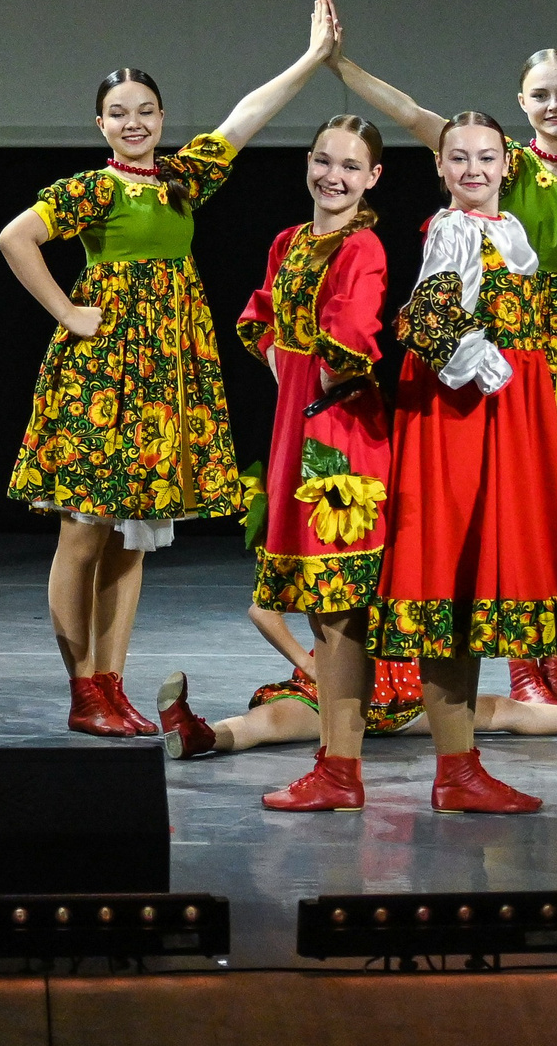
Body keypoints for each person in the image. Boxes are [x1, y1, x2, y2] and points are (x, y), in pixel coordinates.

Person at [0, 0, 335, 737]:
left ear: (161, 116)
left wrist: (311, 60)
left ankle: (112, 683)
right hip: (102, 377)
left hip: (163, 374)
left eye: (145, 111)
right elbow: (15, 237)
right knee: (82, 534)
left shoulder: (181, 179)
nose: (134, 122)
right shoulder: (94, 188)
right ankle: (82, 688)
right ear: (100, 124)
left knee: (130, 537)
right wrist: (67, 311)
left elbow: (245, 118)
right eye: (119, 113)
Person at [330, 25, 557, 703]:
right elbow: (413, 115)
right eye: (541, 95)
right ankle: (527, 671)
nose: (554, 105)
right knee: (521, 503)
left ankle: (555, 668)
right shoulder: (504, 164)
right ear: (522, 102)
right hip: (515, 344)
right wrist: (343, 66)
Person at [363, 112, 557, 813]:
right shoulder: (453, 229)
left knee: (469, 594)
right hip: (460, 421)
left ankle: (460, 768)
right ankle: (456, 768)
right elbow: (424, 319)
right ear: (440, 167)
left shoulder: (508, 230)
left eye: (486, 157)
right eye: (459, 157)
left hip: (505, 418)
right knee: (450, 582)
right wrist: (483, 361)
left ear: (507, 164)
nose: (473, 169)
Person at [225, 109, 397, 805]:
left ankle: (341, 768)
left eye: (351, 166)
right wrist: (283, 365)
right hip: (295, 435)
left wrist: (320, 378)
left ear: (373, 176)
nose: (334, 175)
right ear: (307, 163)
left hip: (340, 440)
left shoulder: (362, 246)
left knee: (340, 608)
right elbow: (263, 314)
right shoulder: (290, 241)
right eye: (324, 160)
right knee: (323, 611)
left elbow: (353, 329)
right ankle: (334, 762)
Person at [157, 608, 557, 760]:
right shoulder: (336, 540)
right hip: (344, 689)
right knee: (266, 720)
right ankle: (199, 735)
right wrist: (305, 664)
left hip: (402, 693)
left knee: (500, 709)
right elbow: (261, 608)